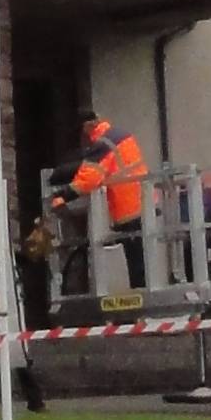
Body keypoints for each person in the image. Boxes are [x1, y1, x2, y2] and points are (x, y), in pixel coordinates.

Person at [70, 114, 148, 290]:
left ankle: (139, 291)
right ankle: (140, 289)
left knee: (134, 255)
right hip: (140, 199)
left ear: (88, 126)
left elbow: (87, 180)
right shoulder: (120, 134)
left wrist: (61, 197)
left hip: (126, 205)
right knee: (138, 253)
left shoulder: (103, 143)